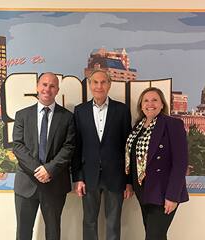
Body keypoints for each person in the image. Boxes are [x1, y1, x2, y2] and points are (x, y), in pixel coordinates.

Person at [71, 69, 133, 240]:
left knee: (113, 223)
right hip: (89, 177)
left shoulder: (122, 110)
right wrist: (78, 177)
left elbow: (127, 147)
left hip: (116, 177)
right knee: (89, 222)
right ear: (90, 85)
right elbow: (77, 147)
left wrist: (128, 181)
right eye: (95, 82)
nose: (99, 86)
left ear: (109, 85)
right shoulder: (80, 111)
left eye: (103, 82)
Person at [13, 72, 75, 240]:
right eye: (44, 84)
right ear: (37, 87)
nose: (48, 89)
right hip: (26, 184)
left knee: (53, 233)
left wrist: (49, 169)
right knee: (23, 232)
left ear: (57, 90)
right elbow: (18, 146)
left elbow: (69, 147)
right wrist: (37, 169)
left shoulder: (67, 117)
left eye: (52, 86)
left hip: (54, 183)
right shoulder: (22, 115)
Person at [125, 87, 189, 240]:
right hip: (143, 191)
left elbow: (181, 162)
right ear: (141, 105)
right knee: (155, 235)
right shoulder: (138, 127)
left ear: (162, 104)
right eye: (146, 100)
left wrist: (172, 196)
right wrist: (129, 183)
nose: (150, 104)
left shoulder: (173, 124)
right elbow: (132, 159)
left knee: (153, 236)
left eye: (155, 100)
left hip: (164, 192)